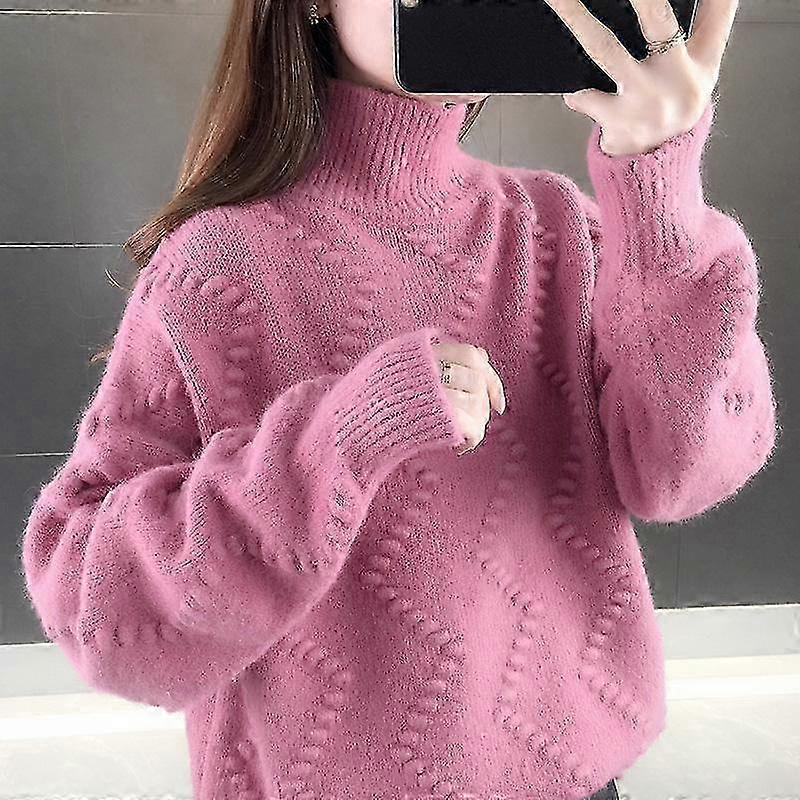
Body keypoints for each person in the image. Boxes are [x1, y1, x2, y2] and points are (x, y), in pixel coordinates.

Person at [20, 1, 778, 799]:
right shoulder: (215, 266)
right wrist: (340, 438)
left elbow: (685, 472)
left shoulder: (555, 231)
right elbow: (100, 616)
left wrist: (661, 192)